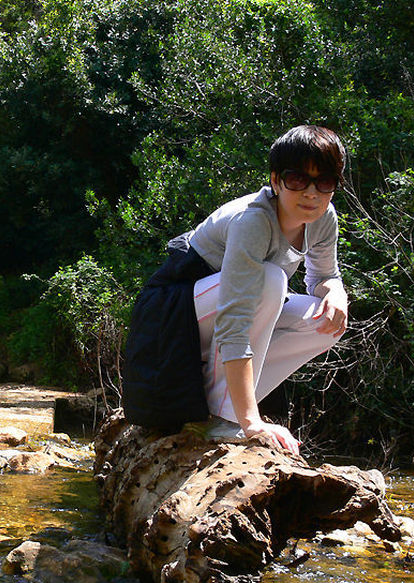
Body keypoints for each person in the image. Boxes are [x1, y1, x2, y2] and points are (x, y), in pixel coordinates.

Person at [122, 125, 348, 453]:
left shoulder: (324, 218)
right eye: (297, 180)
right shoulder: (253, 221)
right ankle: (229, 419)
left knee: (325, 322)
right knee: (270, 281)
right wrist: (251, 423)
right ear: (275, 180)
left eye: (324, 182)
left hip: (225, 312)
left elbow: (323, 277)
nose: (311, 193)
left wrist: (337, 293)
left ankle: (225, 408)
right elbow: (234, 320)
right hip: (172, 315)